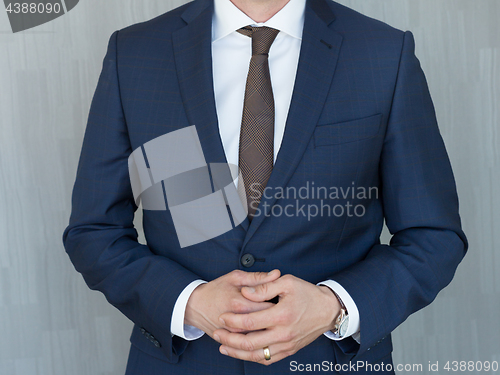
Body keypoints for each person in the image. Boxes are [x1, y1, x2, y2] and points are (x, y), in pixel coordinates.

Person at [63, 0, 468, 373]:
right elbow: (93, 231)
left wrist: (335, 306)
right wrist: (188, 301)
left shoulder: (383, 52)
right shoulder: (136, 53)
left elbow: (432, 236)